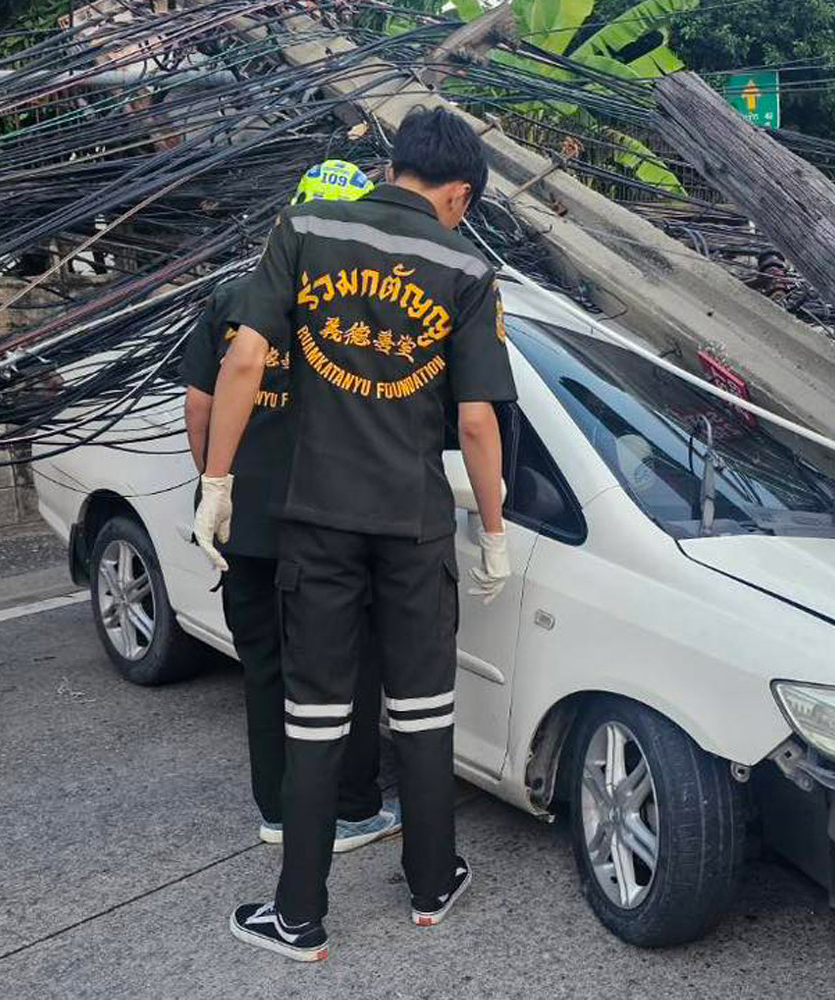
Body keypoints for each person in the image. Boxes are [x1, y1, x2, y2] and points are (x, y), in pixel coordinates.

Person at [197, 107, 516, 962]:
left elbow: (242, 361)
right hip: (412, 526)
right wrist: (491, 530)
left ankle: (297, 918)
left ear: (395, 164)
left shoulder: (303, 227)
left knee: (316, 717)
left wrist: (216, 482)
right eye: (466, 203)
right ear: (457, 193)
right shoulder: (466, 266)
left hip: (318, 523)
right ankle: (431, 884)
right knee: (423, 711)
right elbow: (479, 422)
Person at [181, 160, 400, 858]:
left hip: (243, 526)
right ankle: (353, 810)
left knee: (267, 673)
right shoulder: (368, 314)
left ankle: (277, 813)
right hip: (332, 529)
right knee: (348, 672)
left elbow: (199, 406)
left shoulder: (234, 297)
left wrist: (219, 481)